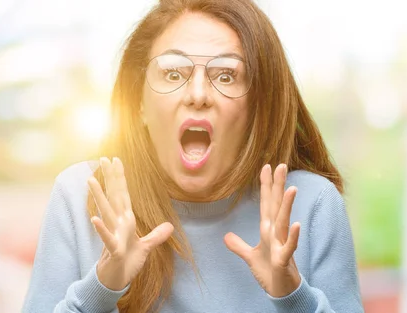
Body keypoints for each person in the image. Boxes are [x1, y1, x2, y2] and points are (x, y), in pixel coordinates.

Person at [22, 0, 363, 312]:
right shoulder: (82, 194)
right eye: (173, 74)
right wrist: (102, 287)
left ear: (257, 108)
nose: (197, 94)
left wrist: (292, 295)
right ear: (139, 102)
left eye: (226, 75)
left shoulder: (311, 205)